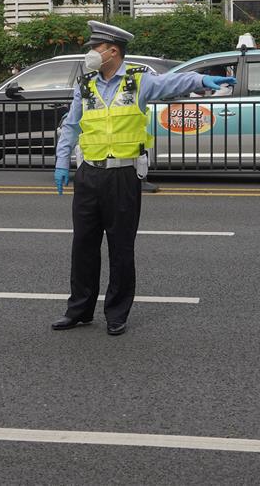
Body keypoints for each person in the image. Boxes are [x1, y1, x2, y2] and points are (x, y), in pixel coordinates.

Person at [52, 21, 236, 335]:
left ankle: (116, 313)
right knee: (83, 245)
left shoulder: (139, 82)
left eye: (96, 48)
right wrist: (61, 162)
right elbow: (71, 125)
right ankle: (80, 310)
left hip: (123, 175)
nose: (91, 54)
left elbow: (173, 82)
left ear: (112, 51)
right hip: (89, 175)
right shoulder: (84, 85)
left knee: (121, 247)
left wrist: (203, 78)